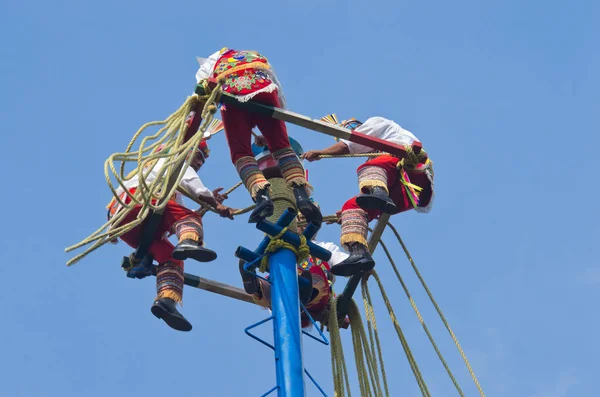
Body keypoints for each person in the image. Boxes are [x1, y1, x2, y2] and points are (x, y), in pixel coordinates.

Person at [107, 140, 235, 331]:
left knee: (172, 257)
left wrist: (205, 206)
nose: (199, 163)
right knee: (186, 218)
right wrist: (215, 205)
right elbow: (194, 186)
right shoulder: (175, 163)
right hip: (143, 204)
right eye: (198, 156)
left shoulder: (154, 175)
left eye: (202, 161)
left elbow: (178, 213)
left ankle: (166, 303)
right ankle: (189, 243)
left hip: (129, 228)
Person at [195, 48, 321, 224]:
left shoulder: (211, 63)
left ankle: (262, 199)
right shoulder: (253, 55)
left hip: (232, 94)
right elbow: (276, 86)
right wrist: (275, 119)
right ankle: (302, 196)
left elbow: (202, 90)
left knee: (241, 154)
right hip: (265, 90)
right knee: (282, 147)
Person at [302, 116, 435, 277]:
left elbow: (349, 144)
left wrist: (321, 152)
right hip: (402, 190)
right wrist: (350, 215)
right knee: (352, 206)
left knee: (368, 167)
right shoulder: (376, 159)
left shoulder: (378, 124)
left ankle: (379, 194)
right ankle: (359, 254)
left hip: (410, 168)